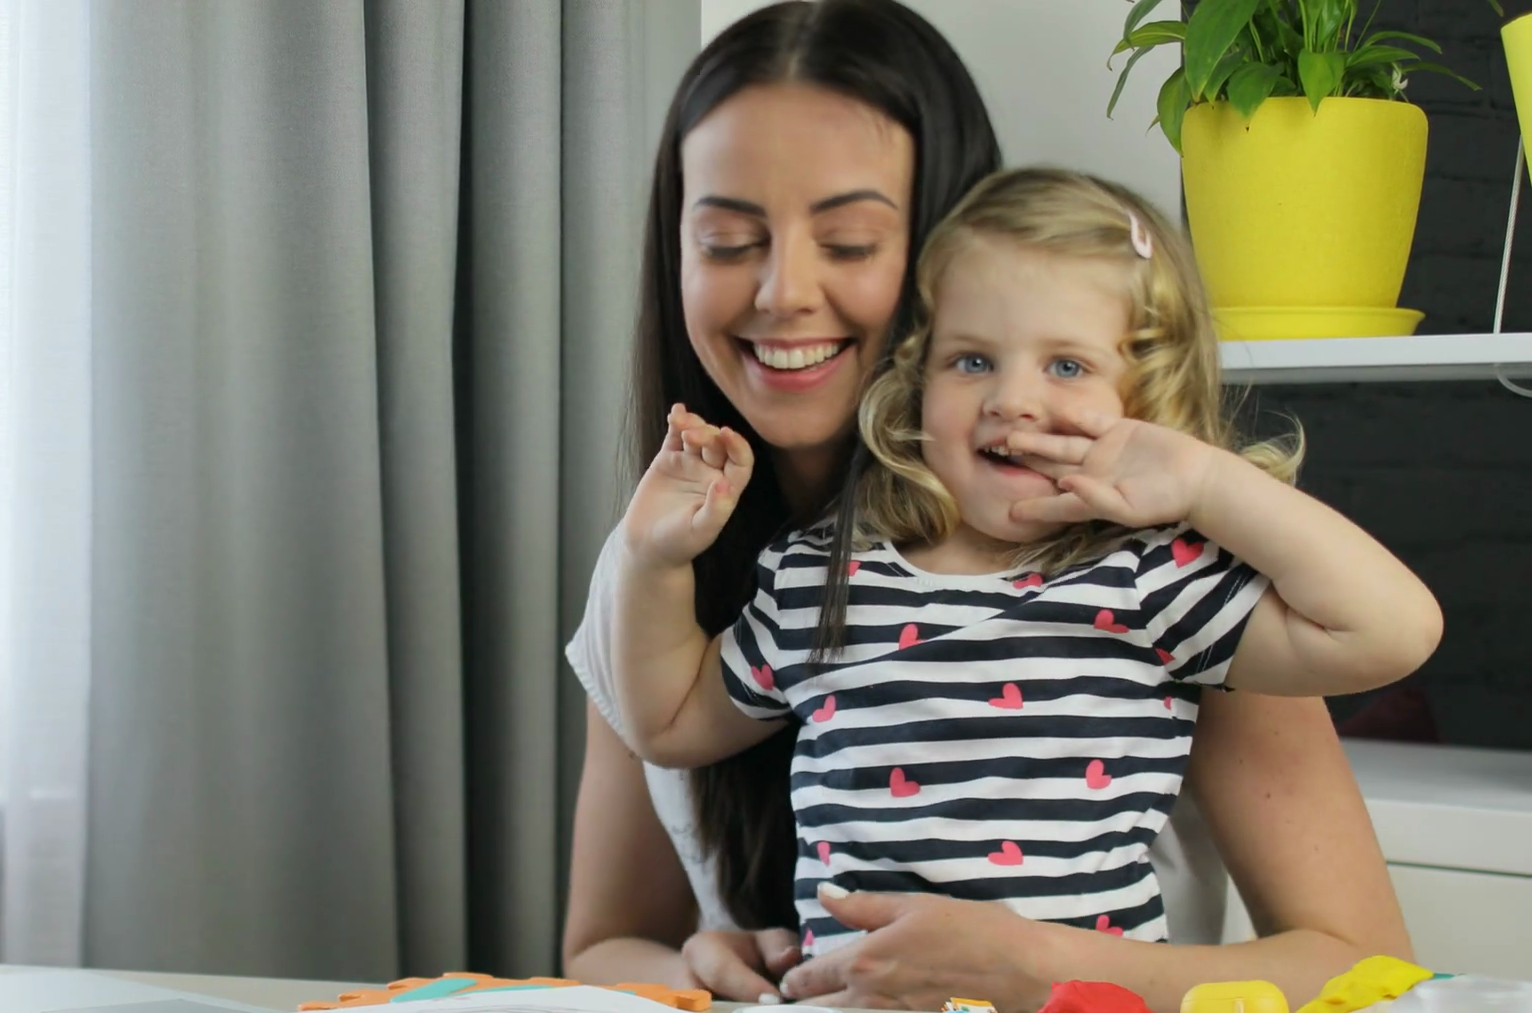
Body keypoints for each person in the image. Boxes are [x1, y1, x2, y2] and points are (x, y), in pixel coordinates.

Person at [560, 1, 1416, 1008]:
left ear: (953, 256)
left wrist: (1037, 967)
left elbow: (1370, 970)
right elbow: (601, 943)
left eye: (849, 241)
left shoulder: (1152, 569)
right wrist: (696, 972)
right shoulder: (669, 571)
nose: (783, 291)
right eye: (728, 239)